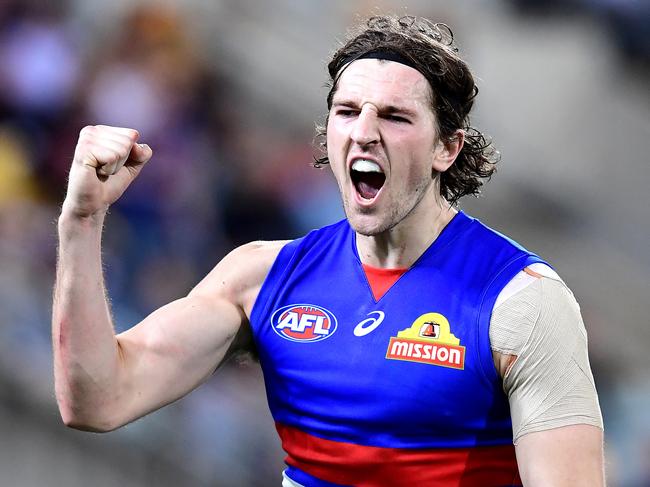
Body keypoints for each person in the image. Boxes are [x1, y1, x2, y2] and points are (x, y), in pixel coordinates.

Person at [52, 15, 604, 486]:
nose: (364, 132)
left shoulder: (521, 303)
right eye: (347, 112)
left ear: (446, 147)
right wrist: (81, 220)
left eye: (394, 116)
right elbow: (98, 399)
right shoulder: (261, 278)